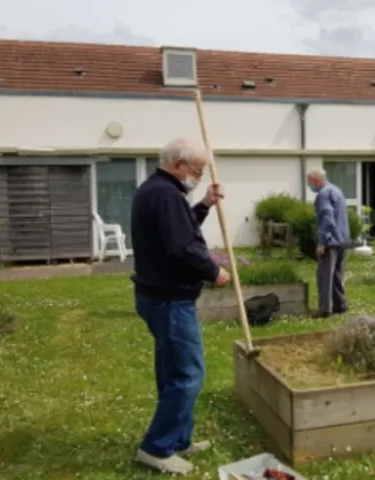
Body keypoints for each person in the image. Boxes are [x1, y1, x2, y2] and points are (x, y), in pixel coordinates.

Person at [130, 138, 231, 475]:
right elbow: (181, 247)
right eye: (196, 170)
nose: (199, 176)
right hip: (169, 300)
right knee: (188, 375)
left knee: (173, 371)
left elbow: (178, 230)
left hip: (157, 296)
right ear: (177, 163)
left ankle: (179, 438)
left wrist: (203, 205)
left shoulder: (158, 191)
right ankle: (156, 448)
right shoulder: (165, 194)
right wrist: (213, 270)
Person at [308, 169, 351, 318]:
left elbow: (327, 219)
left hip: (330, 240)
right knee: (337, 274)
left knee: (325, 275)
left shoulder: (323, 195)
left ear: (317, 181)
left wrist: (322, 242)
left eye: (310, 182)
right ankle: (340, 306)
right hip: (342, 239)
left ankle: (325, 310)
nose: (309, 185)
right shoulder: (336, 190)